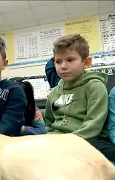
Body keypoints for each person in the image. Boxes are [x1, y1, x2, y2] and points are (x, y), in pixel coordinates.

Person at [44, 34, 115, 162]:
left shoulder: (94, 86)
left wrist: (68, 142)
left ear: (86, 62)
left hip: (90, 140)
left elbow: (93, 124)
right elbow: (49, 122)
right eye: (58, 61)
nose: (63, 66)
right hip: (57, 139)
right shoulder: (53, 93)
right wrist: (50, 138)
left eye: (70, 60)